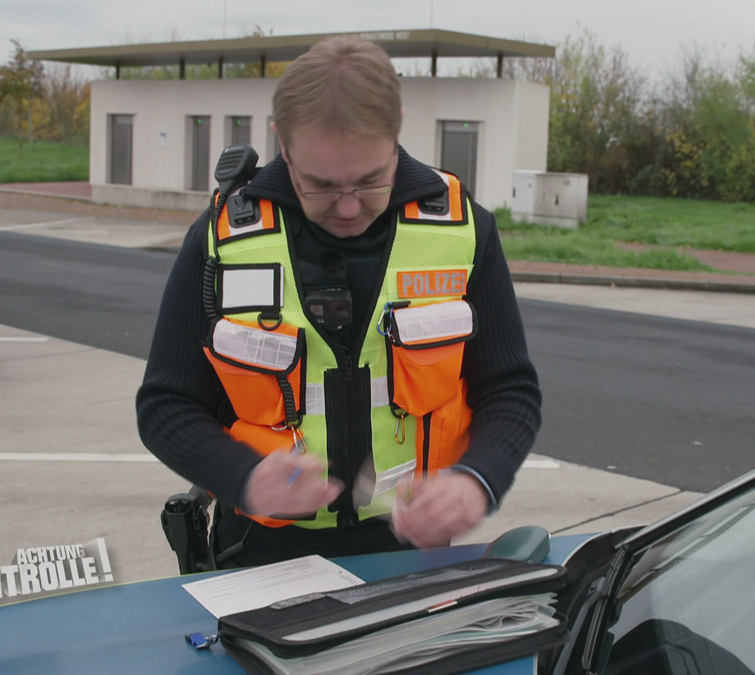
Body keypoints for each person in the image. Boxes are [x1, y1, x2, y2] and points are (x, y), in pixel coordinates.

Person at [136, 35, 541, 567]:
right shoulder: (222, 242)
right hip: (261, 555)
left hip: (410, 552)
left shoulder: (462, 232)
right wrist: (246, 478)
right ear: (282, 140)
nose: (348, 208)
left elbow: (510, 391)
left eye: (371, 181)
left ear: (397, 125)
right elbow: (165, 405)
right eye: (320, 185)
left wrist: (477, 478)